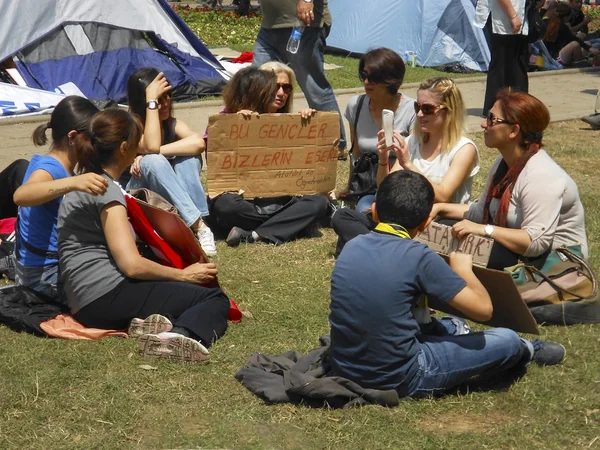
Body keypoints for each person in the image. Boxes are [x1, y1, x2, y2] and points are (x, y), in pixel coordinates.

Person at [328, 170, 565, 398]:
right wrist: (464, 271)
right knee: (506, 338)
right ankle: (526, 349)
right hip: (400, 376)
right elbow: (483, 309)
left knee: (449, 324)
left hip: (345, 366)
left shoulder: (352, 246)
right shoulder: (419, 256)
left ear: (375, 211)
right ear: (425, 223)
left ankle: (453, 331)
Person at [57, 109, 229, 362]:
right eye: (137, 140)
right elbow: (132, 265)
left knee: (171, 292)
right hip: (104, 297)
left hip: (83, 301)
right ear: (125, 147)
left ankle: (147, 323)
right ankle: (181, 336)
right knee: (213, 298)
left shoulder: (84, 181)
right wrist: (183, 275)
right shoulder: (107, 192)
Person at [432, 90, 588, 270]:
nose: (483, 124)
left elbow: (535, 243)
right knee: (444, 228)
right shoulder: (503, 163)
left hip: (554, 265)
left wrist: (485, 230)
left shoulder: (541, 176)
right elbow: (481, 211)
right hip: (517, 253)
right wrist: (440, 208)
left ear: (514, 131)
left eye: (492, 119)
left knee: (466, 248)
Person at [331, 77, 479, 256]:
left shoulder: (464, 149)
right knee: (342, 216)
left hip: (435, 224)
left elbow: (443, 195)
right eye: (417, 107)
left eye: (427, 109)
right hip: (401, 223)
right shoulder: (413, 141)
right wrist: (383, 158)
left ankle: (372, 247)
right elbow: (385, 188)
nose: (419, 114)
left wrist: (408, 164)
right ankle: (385, 249)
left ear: (449, 111)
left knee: (366, 229)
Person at [207, 67, 328, 246]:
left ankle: (254, 234)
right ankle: (292, 223)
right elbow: (216, 162)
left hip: (279, 199)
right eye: (273, 89)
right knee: (225, 206)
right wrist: (236, 126)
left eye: (286, 88)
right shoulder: (224, 121)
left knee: (318, 203)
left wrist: (309, 123)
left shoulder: (286, 121)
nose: (279, 93)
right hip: (243, 201)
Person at [12, 96, 105, 299]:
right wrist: (73, 183)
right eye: (92, 137)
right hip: (43, 278)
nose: (96, 144)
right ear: (72, 137)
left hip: (37, 272)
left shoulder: (55, 165)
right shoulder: (50, 168)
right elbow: (21, 195)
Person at [126, 67, 217, 257]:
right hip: (137, 197)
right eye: (158, 99)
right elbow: (151, 145)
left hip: (170, 202)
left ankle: (196, 224)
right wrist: (150, 156)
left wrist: (158, 153)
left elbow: (198, 143)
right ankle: (199, 226)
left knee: (188, 159)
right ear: (143, 102)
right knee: (152, 161)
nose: (166, 102)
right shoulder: (130, 128)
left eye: (168, 95)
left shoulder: (172, 124)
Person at [251, 0, 347, 151]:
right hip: (270, 25)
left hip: (303, 24)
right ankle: (255, 140)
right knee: (256, 83)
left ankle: (336, 144)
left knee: (313, 86)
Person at [340, 48, 416, 213]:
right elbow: (356, 153)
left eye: (373, 78)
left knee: (372, 212)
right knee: (355, 211)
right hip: (366, 186)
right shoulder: (356, 105)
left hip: (398, 186)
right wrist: (350, 187)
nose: (366, 82)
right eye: (363, 75)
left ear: (390, 80)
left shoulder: (412, 110)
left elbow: (414, 157)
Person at [476, 0, 529, 116]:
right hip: (503, 17)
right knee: (502, 66)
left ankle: (517, 105)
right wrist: (513, 15)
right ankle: (496, 108)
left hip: (514, 16)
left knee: (516, 66)